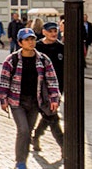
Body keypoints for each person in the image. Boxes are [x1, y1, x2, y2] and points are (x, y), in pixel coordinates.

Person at [0, 28, 61, 169]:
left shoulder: (43, 60)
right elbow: (4, 81)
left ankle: (22, 160)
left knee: (28, 132)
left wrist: (54, 98)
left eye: (32, 39)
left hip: (35, 101)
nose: (30, 42)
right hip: (17, 101)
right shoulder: (12, 60)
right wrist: (3, 99)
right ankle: (20, 163)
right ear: (20, 43)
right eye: (26, 39)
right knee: (24, 130)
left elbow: (52, 81)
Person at [32, 22, 65, 152]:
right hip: (40, 88)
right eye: (50, 31)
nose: (53, 34)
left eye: (55, 31)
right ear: (44, 32)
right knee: (51, 116)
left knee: (49, 116)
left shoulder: (61, 48)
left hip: (55, 89)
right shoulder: (37, 47)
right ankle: (64, 146)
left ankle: (36, 136)